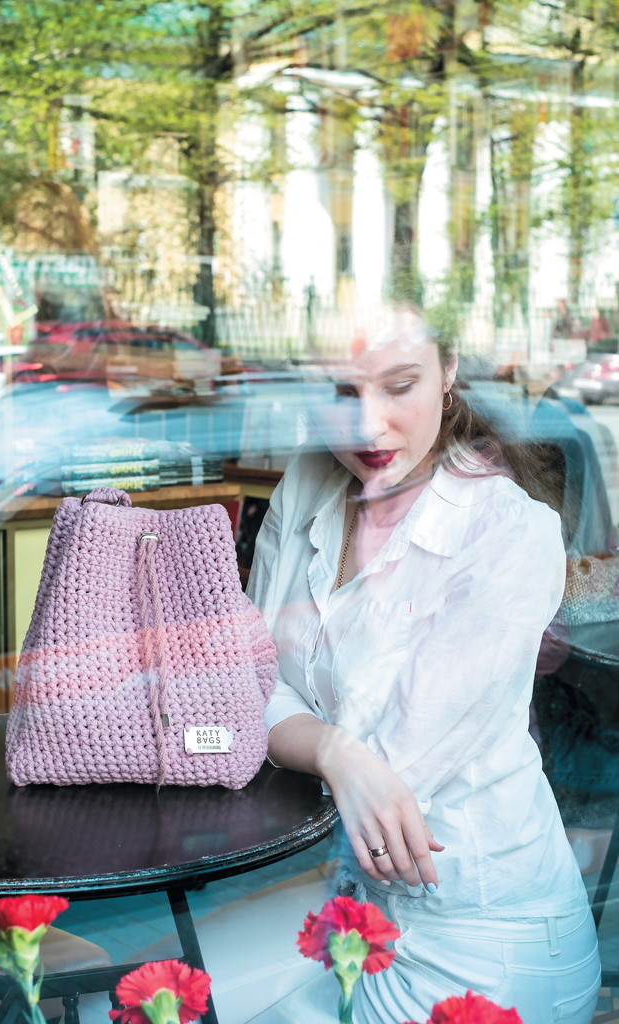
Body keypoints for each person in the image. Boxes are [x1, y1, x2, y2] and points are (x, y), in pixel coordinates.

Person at [246, 306, 600, 1024]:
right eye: (340, 392)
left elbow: (394, 770)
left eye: (399, 385)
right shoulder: (310, 478)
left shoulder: (507, 531)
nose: (367, 426)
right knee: (123, 1003)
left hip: (485, 934)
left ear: (448, 372)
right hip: (343, 898)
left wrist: (331, 750)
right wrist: (332, 750)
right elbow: (246, 675)